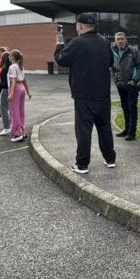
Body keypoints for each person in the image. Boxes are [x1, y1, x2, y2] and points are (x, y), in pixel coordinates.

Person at [53, 13, 115, 175]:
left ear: (80, 27)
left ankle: (82, 164)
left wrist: (59, 45)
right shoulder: (104, 42)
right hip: (103, 93)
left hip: (84, 94)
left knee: (84, 130)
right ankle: (110, 159)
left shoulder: (77, 43)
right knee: (104, 126)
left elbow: (61, 60)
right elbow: (110, 62)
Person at [112, 32, 140, 140]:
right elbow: (112, 67)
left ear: (126, 40)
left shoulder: (133, 51)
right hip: (120, 84)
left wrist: (135, 80)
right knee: (125, 107)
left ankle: (132, 132)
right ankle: (126, 129)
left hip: (131, 84)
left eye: (122, 39)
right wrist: (116, 80)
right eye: (118, 39)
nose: (120, 41)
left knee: (132, 108)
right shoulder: (113, 51)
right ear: (115, 41)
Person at [7, 49, 31, 142]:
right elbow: (24, 80)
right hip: (21, 89)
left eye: (9, 56)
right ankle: (22, 131)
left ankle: (17, 133)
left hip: (16, 89)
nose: (9, 58)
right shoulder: (21, 67)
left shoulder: (12, 67)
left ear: (12, 57)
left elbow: (13, 80)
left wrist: (11, 94)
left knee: (14, 112)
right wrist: (28, 92)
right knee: (21, 111)